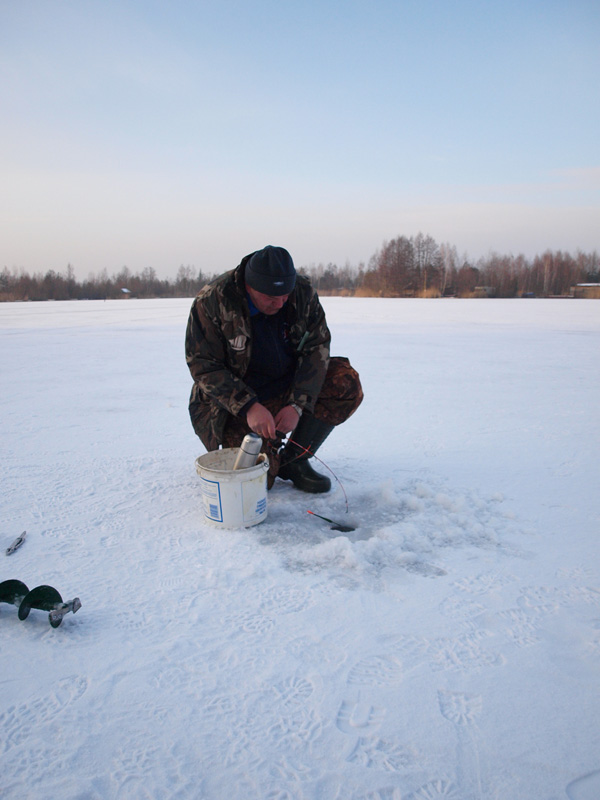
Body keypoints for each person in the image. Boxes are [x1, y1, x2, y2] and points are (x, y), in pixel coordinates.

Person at [185, 245, 363, 492]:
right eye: (270, 298)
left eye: (284, 296)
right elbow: (203, 365)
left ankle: (295, 461)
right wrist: (247, 406)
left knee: (345, 383)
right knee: (257, 483)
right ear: (249, 286)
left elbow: (316, 348)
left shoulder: (302, 293)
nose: (280, 303)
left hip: (287, 385)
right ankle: (273, 460)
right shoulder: (213, 300)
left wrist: (297, 405)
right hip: (235, 401)